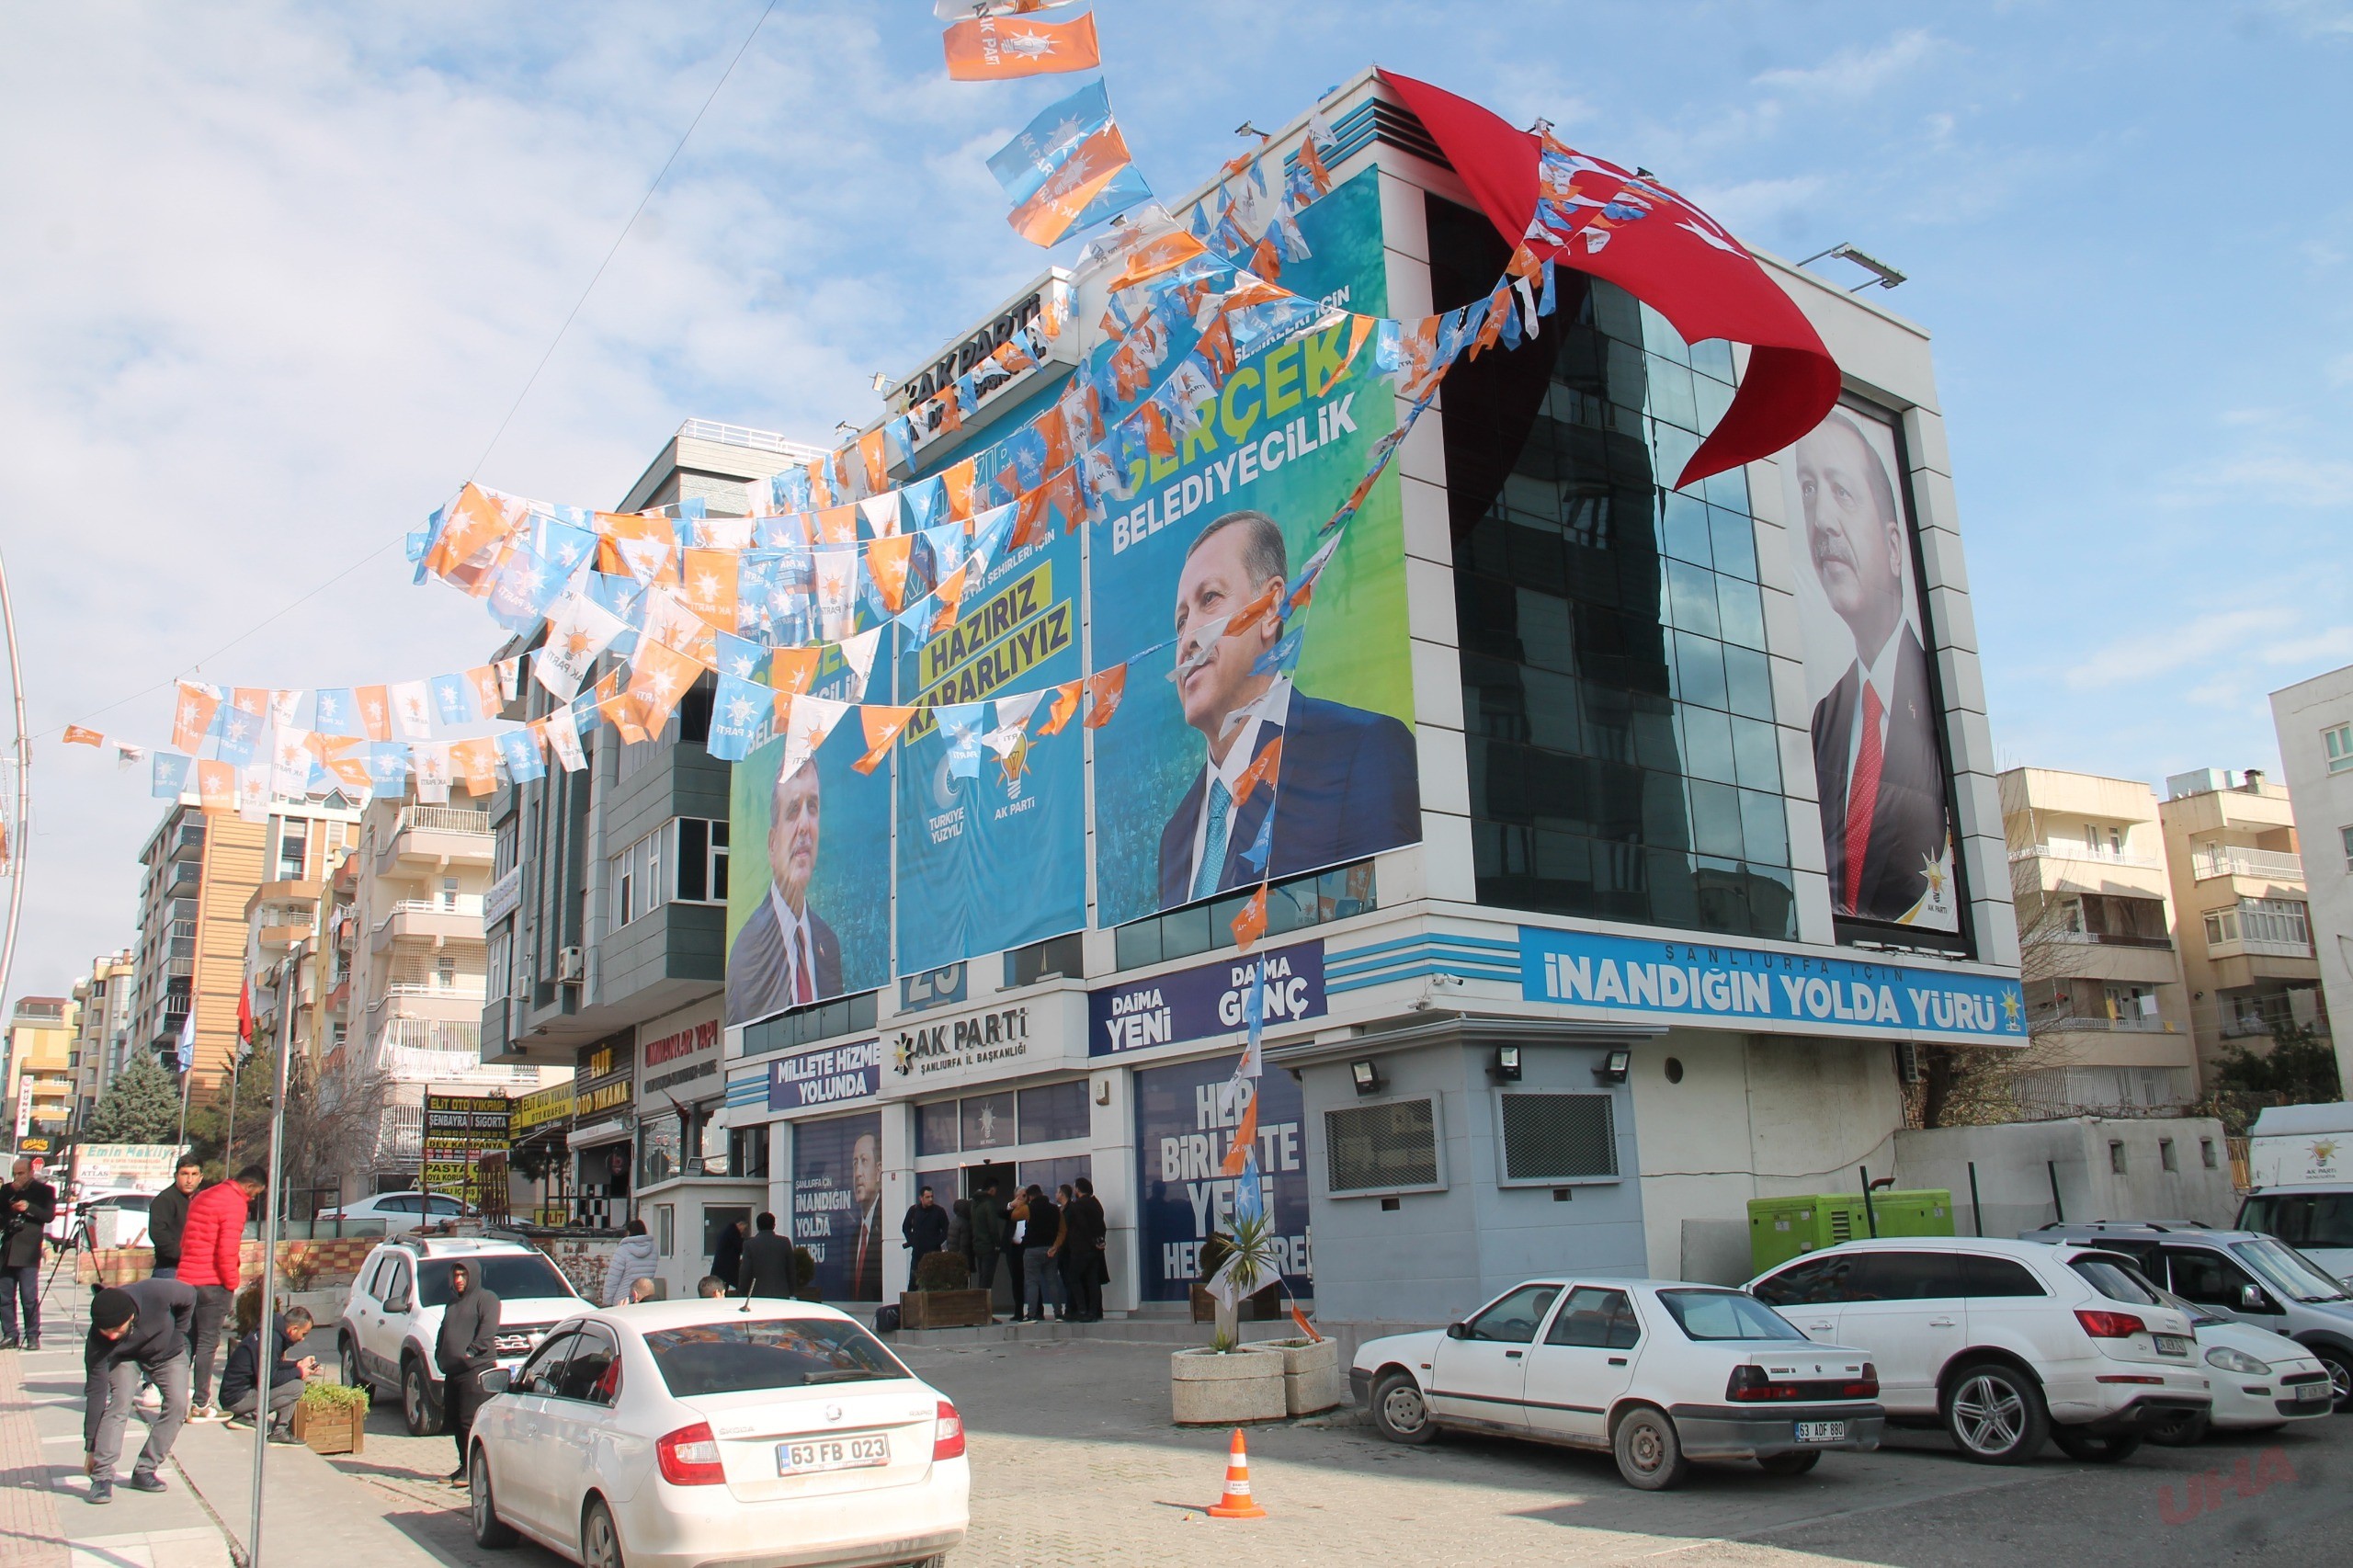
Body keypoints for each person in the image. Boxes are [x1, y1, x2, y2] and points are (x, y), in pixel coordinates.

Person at [1155, 509, 1419, 907]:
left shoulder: (1361, 752)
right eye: (1180, 621)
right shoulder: (1175, 837)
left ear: (1269, 609)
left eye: (1209, 599)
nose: (1187, 639)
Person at [1791, 411, 1949, 925]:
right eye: (1809, 490)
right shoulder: (1824, 718)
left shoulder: (1936, 707)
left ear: (1896, 546)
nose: (1821, 522)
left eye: (1842, 493)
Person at [725, 760, 844, 1024]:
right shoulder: (747, 951)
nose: (804, 825)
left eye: (812, 807)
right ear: (771, 844)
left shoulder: (829, 943)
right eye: (792, 810)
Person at [82, 1278, 194, 1505]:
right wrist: (90, 1447)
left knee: (178, 1406)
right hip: (125, 1358)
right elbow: (95, 1395)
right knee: (119, 1403)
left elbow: (190, 1295)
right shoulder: (98, 1342)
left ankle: (145, 1469)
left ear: (131, 1316)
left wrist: (178, 1334)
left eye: (117, 1330)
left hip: (167, 1353)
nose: (112, 1336)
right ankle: (102, 1478)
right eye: (106, 1332)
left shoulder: (156, 1292)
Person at [176, 1165, 264, 1420]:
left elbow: (186, 1239)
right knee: (207, 1343)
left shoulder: (204, 1196)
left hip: (186, 1279)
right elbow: (227, 1249)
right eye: (255, 1193)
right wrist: (231, 1282)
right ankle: (201, 1402)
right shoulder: (235, 1203)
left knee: (186, 1341)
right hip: (212, 1283)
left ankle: (175, 1398)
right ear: (249, 1186)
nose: (254, 1198)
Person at [435, 1259, 499, 1484]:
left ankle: (475, 1470)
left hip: (476, 1370)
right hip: (453, 1371)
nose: (459, 1280)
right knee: (453, 1418)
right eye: (456, 1275)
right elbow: (444, 1331)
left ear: (472, 1276)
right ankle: (464, 1464)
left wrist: (471, 1352)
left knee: (468, 1421)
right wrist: (439, 1354)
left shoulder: (487, 1299)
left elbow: (487, 1330)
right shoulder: (452, 1303)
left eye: (463, 1275)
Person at [221, 1305, 319, 1438]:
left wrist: (298, 1364)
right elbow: (269, 1379)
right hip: (237, 1399)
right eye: (303, 1334)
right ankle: (251, 1418)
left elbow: (273, 1366)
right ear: (293, 1329)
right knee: (296, 1387)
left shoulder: (271, 1333)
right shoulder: (271, 1340)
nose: (303, 1339)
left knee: (293, 1380)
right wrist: (299, 1372)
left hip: (237, 1394)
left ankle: (278, 1431)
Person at [0, 1156, 58, 1348]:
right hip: (8, 1248)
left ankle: (33, 1334)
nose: (17, 1177)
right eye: (15, 1173)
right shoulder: (7, 1190)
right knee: (5, 1296)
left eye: (21, 1173)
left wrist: (28, 1208)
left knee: (28, 1296)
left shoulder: (44, 1191)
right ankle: (10, 1333)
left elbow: (48, 1216)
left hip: (28, 1250)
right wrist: (10, 1204)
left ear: (31, 1173)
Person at [1060, 1176, 1108, 1324]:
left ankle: (1082, 1310)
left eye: (1075, 1188)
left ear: (1078, 1190)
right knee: (1093, 1280)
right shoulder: (1096, 1204)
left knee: (1073, 1278)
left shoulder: (1077, 1206)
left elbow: (1082, 1226)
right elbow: (1102, 1225)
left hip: (1080, 1249)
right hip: (1095, 1250)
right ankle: (1094, 1311)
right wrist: (1099, 1241)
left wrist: (1091, 1241)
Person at [147, 1156, 203, 1279]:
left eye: (194, 1174)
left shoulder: (203, 1199)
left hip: (198, 1268)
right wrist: (184, 1254)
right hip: (170, 1269)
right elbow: (158, 1234)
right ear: (176, 1175)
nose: (189, 1180)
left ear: (201, 1177)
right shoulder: (165, 1199)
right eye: (184, 1174)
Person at [847, 1132, 883, 1301]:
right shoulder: (855, 1237)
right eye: (855, 1164)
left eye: (863, 1161)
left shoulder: (885, 1228)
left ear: (878, 1171)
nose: (857, 1173)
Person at [1018, 1186, 1060, 1325]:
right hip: (1050, 1248)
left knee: (1032, 1283)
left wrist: (1019, 1202)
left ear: (1029, 1196)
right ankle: (1058, 1313)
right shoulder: (1054, 1209)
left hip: (1032, 1250)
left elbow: (1013, 1214)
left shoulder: (1029, 1209)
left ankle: (1031, 1314)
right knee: (1052, 1282)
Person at [738, 1211, 798, 1299]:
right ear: (774, 1225)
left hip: (757, 1294)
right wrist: (791, 1290)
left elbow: (745, 1271)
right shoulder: (784, 1242)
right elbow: (791, 1269)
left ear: (757, 1226)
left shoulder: (749, 1244)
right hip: (781, 1294)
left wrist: (742, 1291)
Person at [603, 1217, 657, 1307]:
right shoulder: (653, 1249)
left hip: (623, 1301)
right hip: (645, 1299)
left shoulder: (623, 1250)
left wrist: (607, 1302)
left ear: (629, 1232)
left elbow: (613, 1280)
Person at [969, 1180, 1006, 1301]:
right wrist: (997, 1244)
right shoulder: (988, 1203)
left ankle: (981, 1308)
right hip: (988, 1246)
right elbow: (993, 1226)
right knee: (987, 1279)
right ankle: (985, 1310)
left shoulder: (974, 1203)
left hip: (978, 1245)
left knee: (982, 1277)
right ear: (992, 1190)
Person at [901, 1187, 949, 1271]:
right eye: (927, 1197)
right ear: (921, 1198)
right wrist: (912, 1242)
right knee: (914, 1281)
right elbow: (905, 1227)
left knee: (934, 1281)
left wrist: (936, 1242)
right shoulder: (914, 1210)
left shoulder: (939, 1211)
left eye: (932, 1196)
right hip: (917, 1253)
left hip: (934, 1253)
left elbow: (946, 1229)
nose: (930, 1199)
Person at [1004, 1187, 1032, 1322]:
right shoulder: (1012, 1212)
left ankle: (1036, 1310)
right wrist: (1011, 1205)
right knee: (1016, 1281)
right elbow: (1000, 1213)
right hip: (1014, 1249)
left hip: (1027, 1248)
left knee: (1032, 1280)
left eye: (1024, 1196)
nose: (1021, 1199)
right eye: (1019, 1196)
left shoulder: (1030, 1210)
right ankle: (1018, 1312)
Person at [710, 1215, 746, 1292]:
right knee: (736, 1284)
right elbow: (740, 1246)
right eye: (744, 1228)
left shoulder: (727, 1230)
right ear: (740, 1224)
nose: (743, 1231)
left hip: (722, 1266)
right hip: (727, 1267)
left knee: (722, 1286)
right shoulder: (733, 1232)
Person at [944, 1198, 972, 1278]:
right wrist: (967, 1266)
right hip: (961, 1262)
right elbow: (965, 1247)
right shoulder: (965, 1224)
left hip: (953, 1260)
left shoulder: (953, 1222)